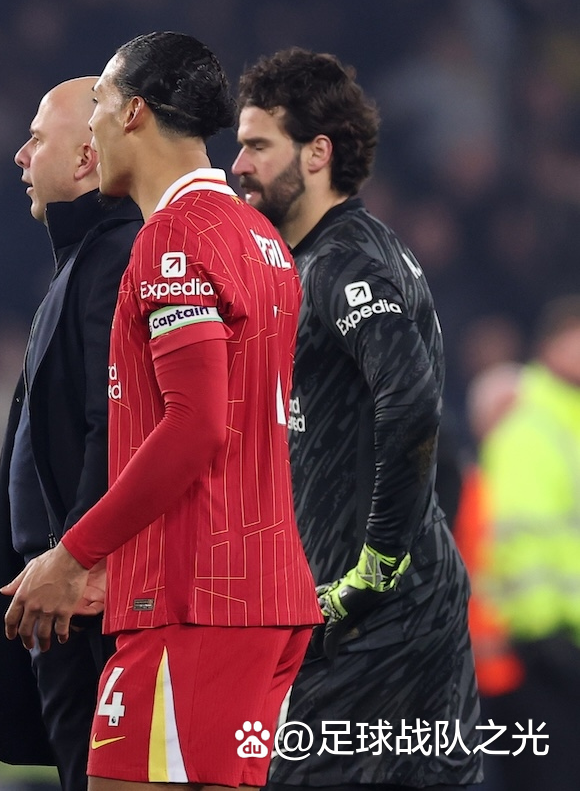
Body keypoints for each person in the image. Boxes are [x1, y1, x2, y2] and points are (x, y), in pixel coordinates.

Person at [2, 32, 321, 789]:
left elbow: (196, 425)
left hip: (194, 601)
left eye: (102, 107)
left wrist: (74, 552)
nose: (95, 129)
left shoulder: (172, 239)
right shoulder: (258, 236)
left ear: (135, 113)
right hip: (260, 593)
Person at [232, 48, 481, 791]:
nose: (237, 163)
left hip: (376, 629)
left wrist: (374, 569)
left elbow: (409, 404)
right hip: (390, 618)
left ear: (317, 153)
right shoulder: (315, 261)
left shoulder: (347, 264)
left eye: (255, 145)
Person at [0, 77, 141, 789]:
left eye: (37, 137)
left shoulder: (115, 256)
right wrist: (13, 528)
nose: (19, 155)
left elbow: (120, 428)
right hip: (63, 581)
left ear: (84, 158)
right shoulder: (84, 261)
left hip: (88, 598)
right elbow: (70, 432)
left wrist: (73, 554)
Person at [481, 296, 580, 791]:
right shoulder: (528, 424)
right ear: (549, 345)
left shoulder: (562, 421)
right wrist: (536, 629)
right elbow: (513, 538)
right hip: (542, 643)